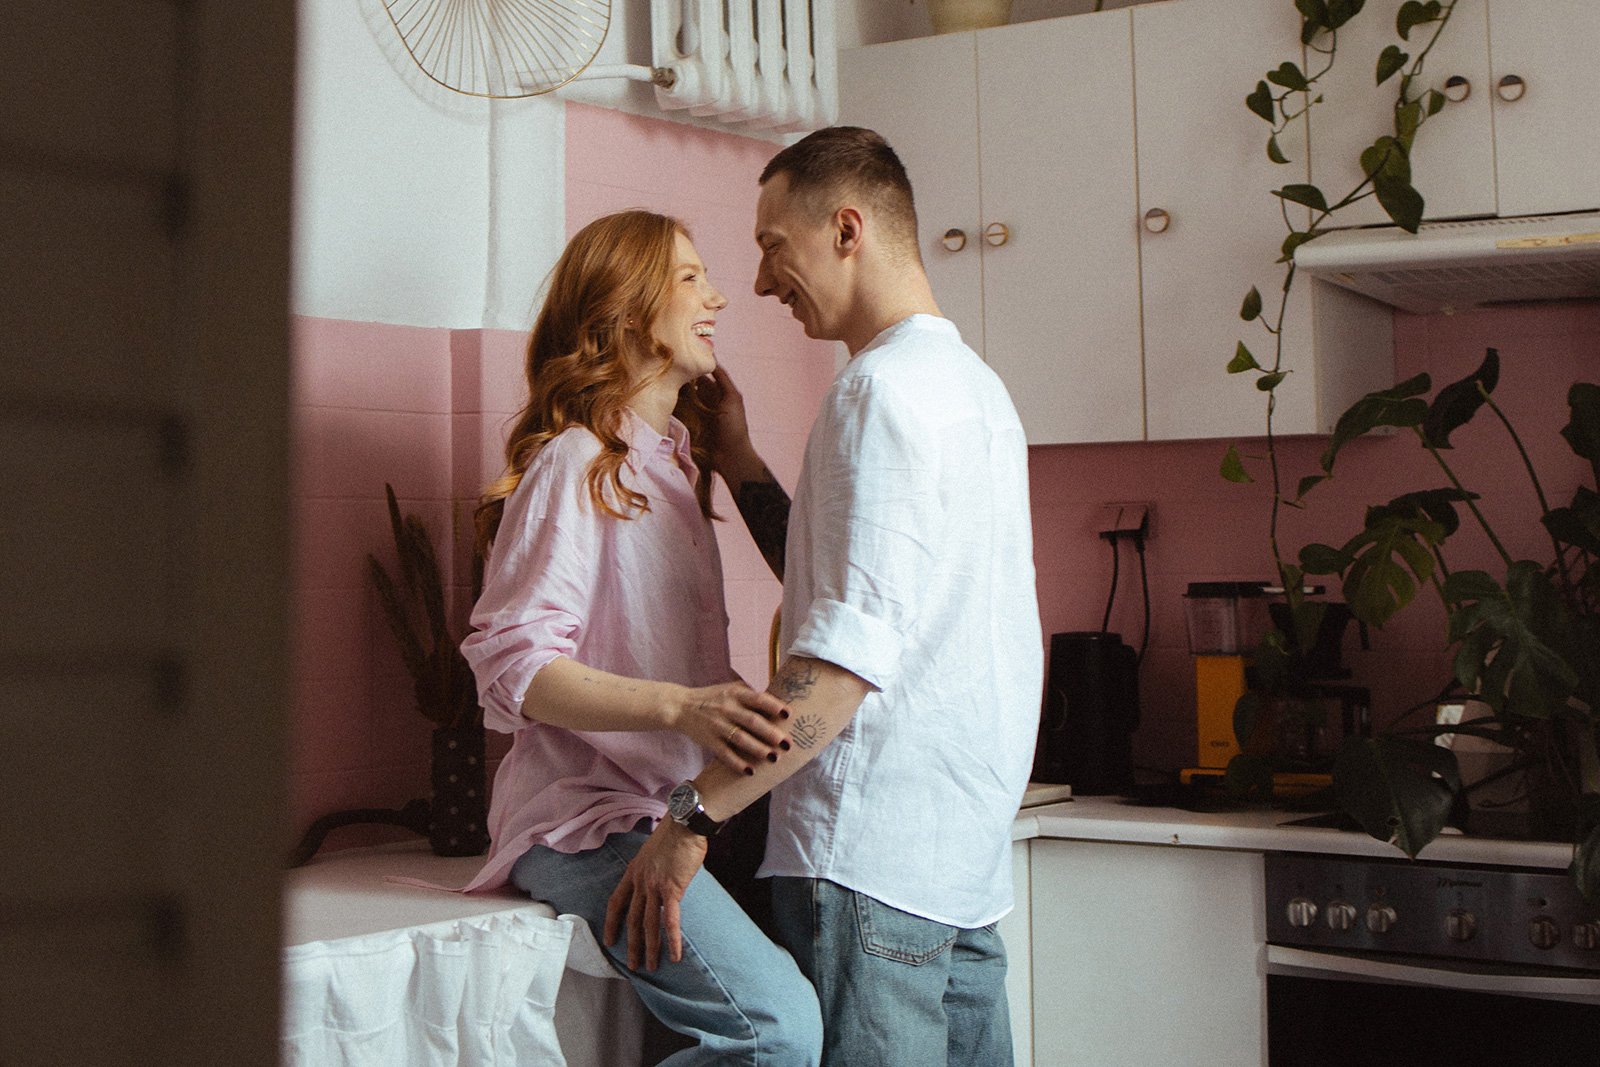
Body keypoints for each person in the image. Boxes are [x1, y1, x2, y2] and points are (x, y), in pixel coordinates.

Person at [605, 127, 1044, 1065]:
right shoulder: (975, 390)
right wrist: (738, 458)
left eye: (773, 246)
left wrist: (692, 818)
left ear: (846, 229)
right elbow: (848, 586)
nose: (761, 283)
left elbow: (841, 667)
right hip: (960, 867)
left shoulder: (874, 393)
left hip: (866, 862)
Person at [458, 209, 823, 1065]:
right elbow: (513, 666)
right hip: (587, 822)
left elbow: (817, 582)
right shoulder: (574, 462)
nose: (719, 297)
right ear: (627, 310)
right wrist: (682, 707)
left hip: (673, 810)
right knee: (777, 1030)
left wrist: (736, 453)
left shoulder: (673, 470)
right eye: (691, 278)